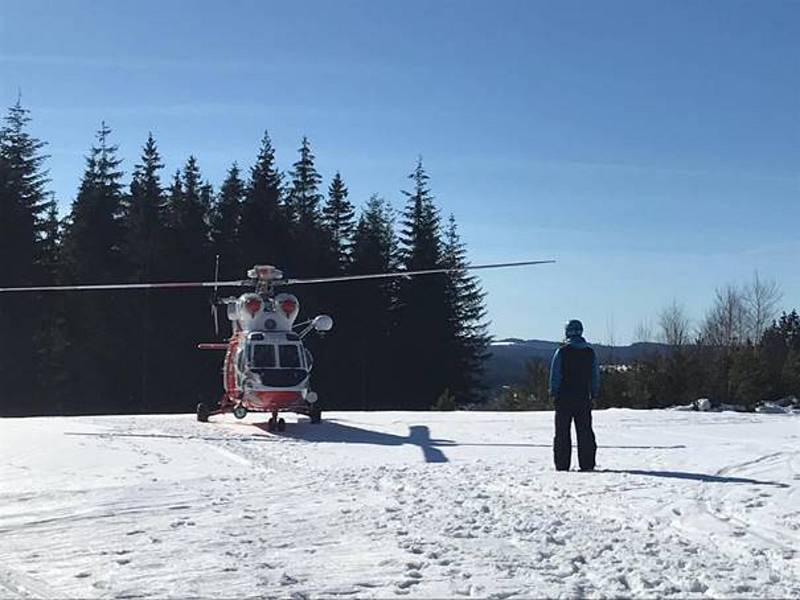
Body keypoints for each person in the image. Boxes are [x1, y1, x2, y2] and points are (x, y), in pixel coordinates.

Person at [548, 319, 599, 471]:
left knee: (562, 432)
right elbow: (595, 375)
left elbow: (555, 374)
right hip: (583, 397)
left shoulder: (562, 351)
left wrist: (553, 392)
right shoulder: (590, 352)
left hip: (564, 398)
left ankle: (562, 464)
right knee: (585, 432)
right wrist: (594, 394)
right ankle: (587, 463)